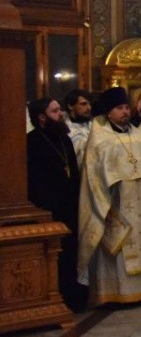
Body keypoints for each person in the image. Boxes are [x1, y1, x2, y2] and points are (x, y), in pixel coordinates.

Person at [77, 86, 141, 306]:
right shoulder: (99, 139)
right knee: (119, 245)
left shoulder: (139, 136)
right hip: (115, 201)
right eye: (119, 108)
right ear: (109, 112)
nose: (125, 112)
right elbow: (92, 176)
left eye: (127, 107)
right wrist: (104, 204)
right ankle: (116, 293)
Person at [26, 97, 87, 311]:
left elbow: (74, 171)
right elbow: (33, 180)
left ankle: (73, 297)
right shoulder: (32, 142)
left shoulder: (64, 139)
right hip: (48, 208)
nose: (60, 114)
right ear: (41, 117)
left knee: (71, 253)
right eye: (54, 111)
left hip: (70, 205)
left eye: (59, 110)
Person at [64, 89, 93, 160]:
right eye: (83, 104)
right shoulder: (64, 130)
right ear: (70, 106)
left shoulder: (94, 126)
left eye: (89, 104)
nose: (89, 108)